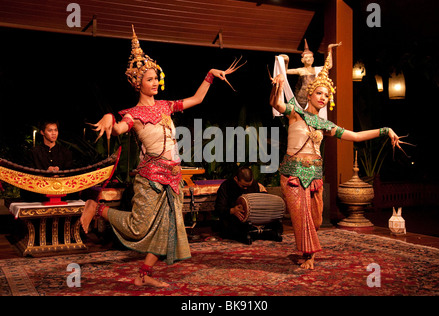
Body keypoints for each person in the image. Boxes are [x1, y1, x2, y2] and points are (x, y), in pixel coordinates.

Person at [80, 25, 244, 287]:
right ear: (137, 83)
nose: (155, 82)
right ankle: (97, 208)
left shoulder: (166, 106)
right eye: (149, 79)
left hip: (173, 177)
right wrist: (110, 118)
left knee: (167, 228)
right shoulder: (133, 115)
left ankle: (143, 275)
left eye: (156, 78)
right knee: (138, 226)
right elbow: (121, 128)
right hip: (150, 178)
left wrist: (210, 75)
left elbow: (197, 99)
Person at [270, 47, 411, 270]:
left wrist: (385, 130)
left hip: (315, 175)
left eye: (327, 96)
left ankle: (308, 251)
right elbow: (276, 104)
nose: (324, 98)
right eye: (319, 93)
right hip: (293, 173)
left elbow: (355, 136)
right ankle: (309, 256)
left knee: (315, 220)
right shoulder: (295, 112)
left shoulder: (326, 125)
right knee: (302, 215)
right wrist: (277, 85)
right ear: (310, 94)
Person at [280, 40, 341, 110]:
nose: (309, 59)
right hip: (302, 97)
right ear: (302, 60)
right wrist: (286, 62)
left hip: (314, 96)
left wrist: (329, 49)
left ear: (313, 59)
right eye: (306, 58)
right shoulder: (301, 70)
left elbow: (329, 65)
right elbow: (285, 71)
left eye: (310, 57)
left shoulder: (317, 70)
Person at [214, 166, 267, 243]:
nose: (245, 188)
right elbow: (218, 209)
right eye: (243, 186)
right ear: (236, 179)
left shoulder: (254, 184)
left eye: (248, 186)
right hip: (232, 221)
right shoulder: (226, 186)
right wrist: (232, 210)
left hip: (252, 220)